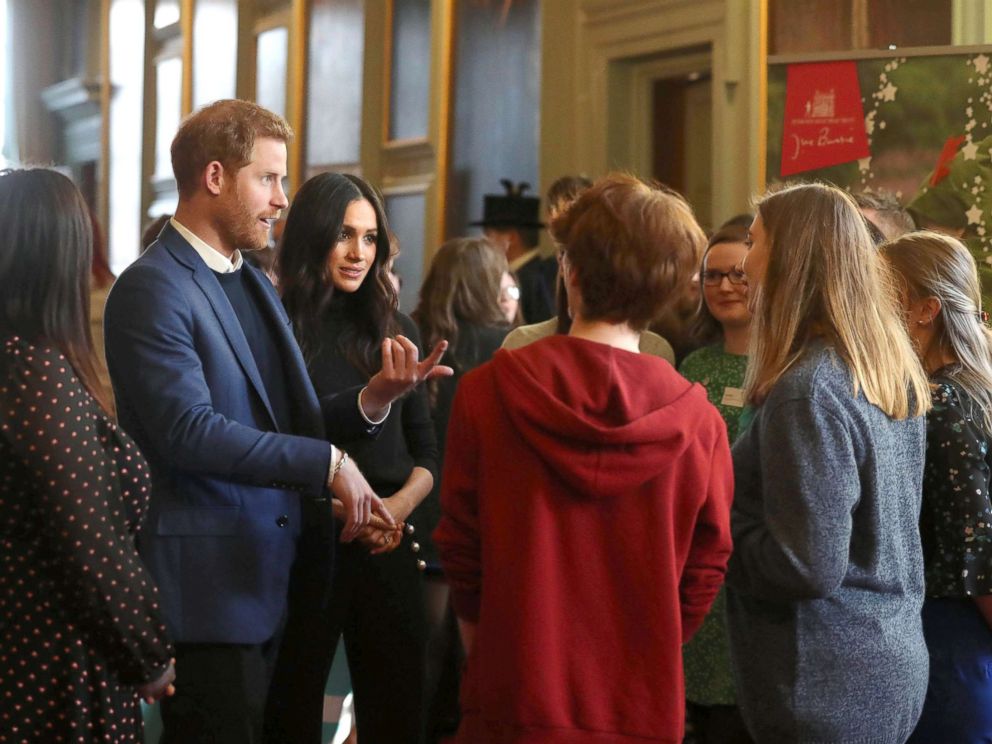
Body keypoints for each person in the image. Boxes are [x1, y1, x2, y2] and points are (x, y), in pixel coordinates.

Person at [104, 99, 448, 743]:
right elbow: (189, 431)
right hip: (212, 590)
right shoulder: (152, 286)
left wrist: (371, 400)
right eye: (268, 178)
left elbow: (289, 418)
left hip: (277, 578)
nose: (281, 199)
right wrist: (330, 464)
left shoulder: (251, 281)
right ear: (214, 177)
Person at [434, 173, 733, 743]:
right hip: (639, 703)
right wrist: (651, 647)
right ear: (669, 287)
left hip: (513, 691)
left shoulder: (488, 392)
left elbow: (463, 551)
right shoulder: (699, 421)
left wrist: (491, 650)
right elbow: (704, 569)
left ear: (569, 271)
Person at [727, 183, 931, 743]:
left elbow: (804, 565)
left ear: (790, 257)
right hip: (880, 661)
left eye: (752, 241)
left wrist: (712, 524)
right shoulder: (879, 369)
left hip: (823, 680)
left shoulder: (809, 390)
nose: (743, 263)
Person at [0, 168, 175, 741]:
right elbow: (88, 543)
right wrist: (148, 654)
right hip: (52, 668)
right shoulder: (35, 374)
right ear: (61, 255)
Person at [271, 171, 438, 744]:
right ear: (314, 236)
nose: (358, 253)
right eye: (344, 235)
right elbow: (283, 439)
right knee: (290, 709)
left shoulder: (397, 326)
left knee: (397, 713)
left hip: (389, 541)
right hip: (307, 542)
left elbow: (427, 454)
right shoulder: (278, 327)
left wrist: (389, 510)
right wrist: (353, 510)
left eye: (370, 238)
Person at [880, 231, 992, 744]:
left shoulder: (939, 403)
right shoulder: (974, 391)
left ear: (925, 310)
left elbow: (978, 546)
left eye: (882, 293)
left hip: (953, 635)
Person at [412, 236, 513, 742]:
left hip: (422, 519)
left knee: (421, 664)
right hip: (485, 523)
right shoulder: (511, 348)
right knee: (474, 662)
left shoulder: (414, 339)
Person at [679, 220, 753, 744]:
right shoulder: (693, 363)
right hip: (695, 560)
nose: (725, 286)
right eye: (713, 275)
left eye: (739, 274)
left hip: (756, 562)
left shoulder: (789, 365)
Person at [471, 179, 556, 323]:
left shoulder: (534, 280)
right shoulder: (541, 274)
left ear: (511, 238)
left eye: (489, 235)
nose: (484, 241)